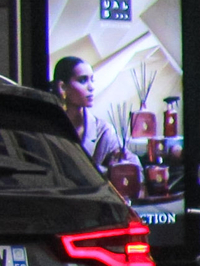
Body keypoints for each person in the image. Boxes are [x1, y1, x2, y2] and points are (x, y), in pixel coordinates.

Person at [51, 55, 138, 187]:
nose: (91, 87)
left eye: (92, 80)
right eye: (82, 80)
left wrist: (120, 164)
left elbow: (135, 169)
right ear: (63, 87)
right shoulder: (46, 126)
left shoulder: (103, 130)